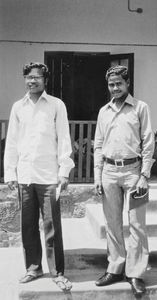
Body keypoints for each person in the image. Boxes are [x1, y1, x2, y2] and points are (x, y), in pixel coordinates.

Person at [4, 62, 74, 290]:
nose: (32, 81)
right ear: (24, 79)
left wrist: (64, 170)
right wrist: (10, 172)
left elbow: (64, 137)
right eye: (28, 77)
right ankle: (33, 268)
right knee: (27, 226)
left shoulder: (56, 105)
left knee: (52, 226)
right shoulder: (18, 107)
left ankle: (57, 272)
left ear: (45, 80)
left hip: (48, 176)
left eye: (37, 77)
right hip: (25, 176)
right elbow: (12, 141)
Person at [94, 65, 154, 297]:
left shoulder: (140, 108)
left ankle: (136, 273)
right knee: (112, 224)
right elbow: (98, 144)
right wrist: (98, 175)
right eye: (111, 84)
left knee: (137, 225)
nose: (115, 88)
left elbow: (148, 142)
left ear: (128, 83)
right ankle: (115, 268)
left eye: (119, 83)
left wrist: (144, 175)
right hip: (109, 172)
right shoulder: (103, 111)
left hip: (133, 172)